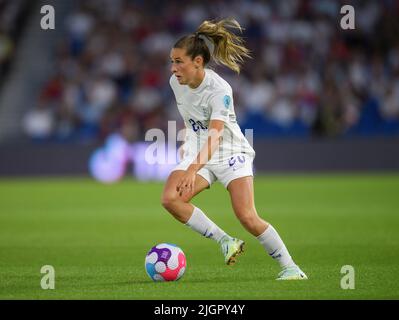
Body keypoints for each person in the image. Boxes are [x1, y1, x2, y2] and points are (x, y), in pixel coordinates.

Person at [161, 18, 307, 280]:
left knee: (247, 216)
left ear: (198, 62)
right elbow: (192, 120)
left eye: (179, 61)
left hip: (230, 153)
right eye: (172, 61)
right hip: (199, 152)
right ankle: (225, 241)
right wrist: (188, 147)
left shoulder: (219, 90)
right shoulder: (177, 83)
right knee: (170, 198)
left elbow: (216, 135)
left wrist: (192, 169)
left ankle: (292, 268)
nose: (173, 68)